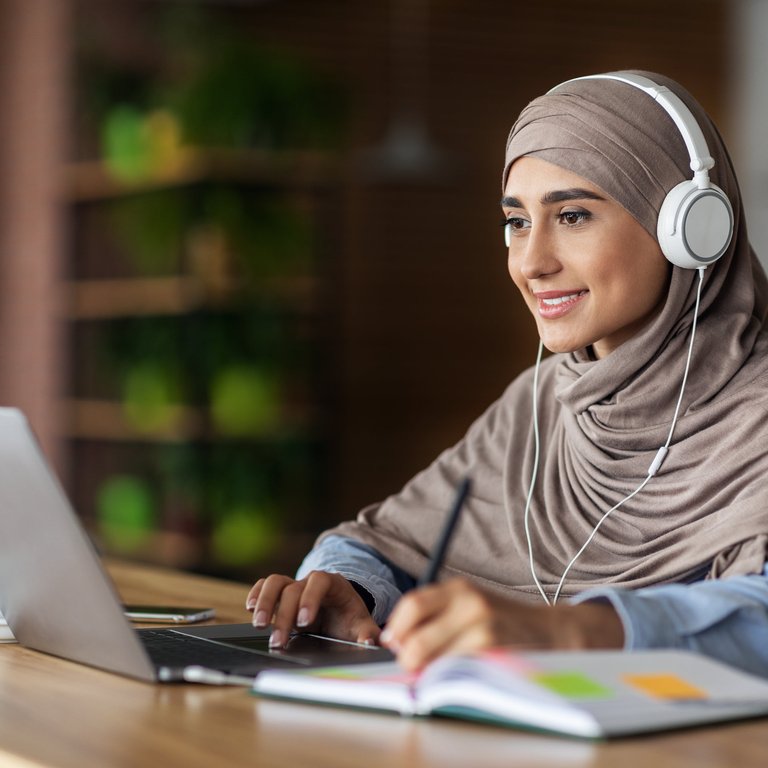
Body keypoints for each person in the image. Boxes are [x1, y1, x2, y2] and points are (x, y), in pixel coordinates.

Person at [246, 70, 768, 676]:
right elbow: (381, 537)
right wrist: (353, 590)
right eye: (516, 222)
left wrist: (573, 629)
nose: (530, 263)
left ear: (690, 230)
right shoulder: (544, 400)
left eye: (572, 216)